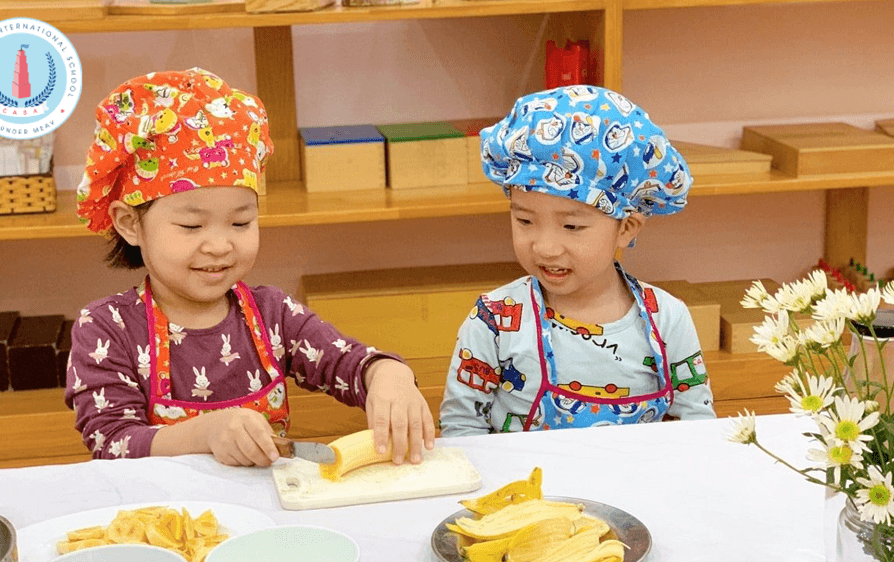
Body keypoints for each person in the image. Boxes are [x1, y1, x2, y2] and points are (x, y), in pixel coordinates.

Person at [66, 68, 434, 466]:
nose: (220, 245)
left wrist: (387, 375)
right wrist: (205, 433)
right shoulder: (106, 329)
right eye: (191, 226)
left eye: (240, 222)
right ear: (129, 224)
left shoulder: (273, 314)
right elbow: (112, 442)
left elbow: (347, 363)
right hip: (159, 505)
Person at [439, 85, 716, 436]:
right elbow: (461, 429)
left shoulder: (668, 319)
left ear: (626, 228)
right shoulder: (495, 320)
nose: (545, 248)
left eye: (571, 226)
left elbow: (698, 430)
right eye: (524, 220)